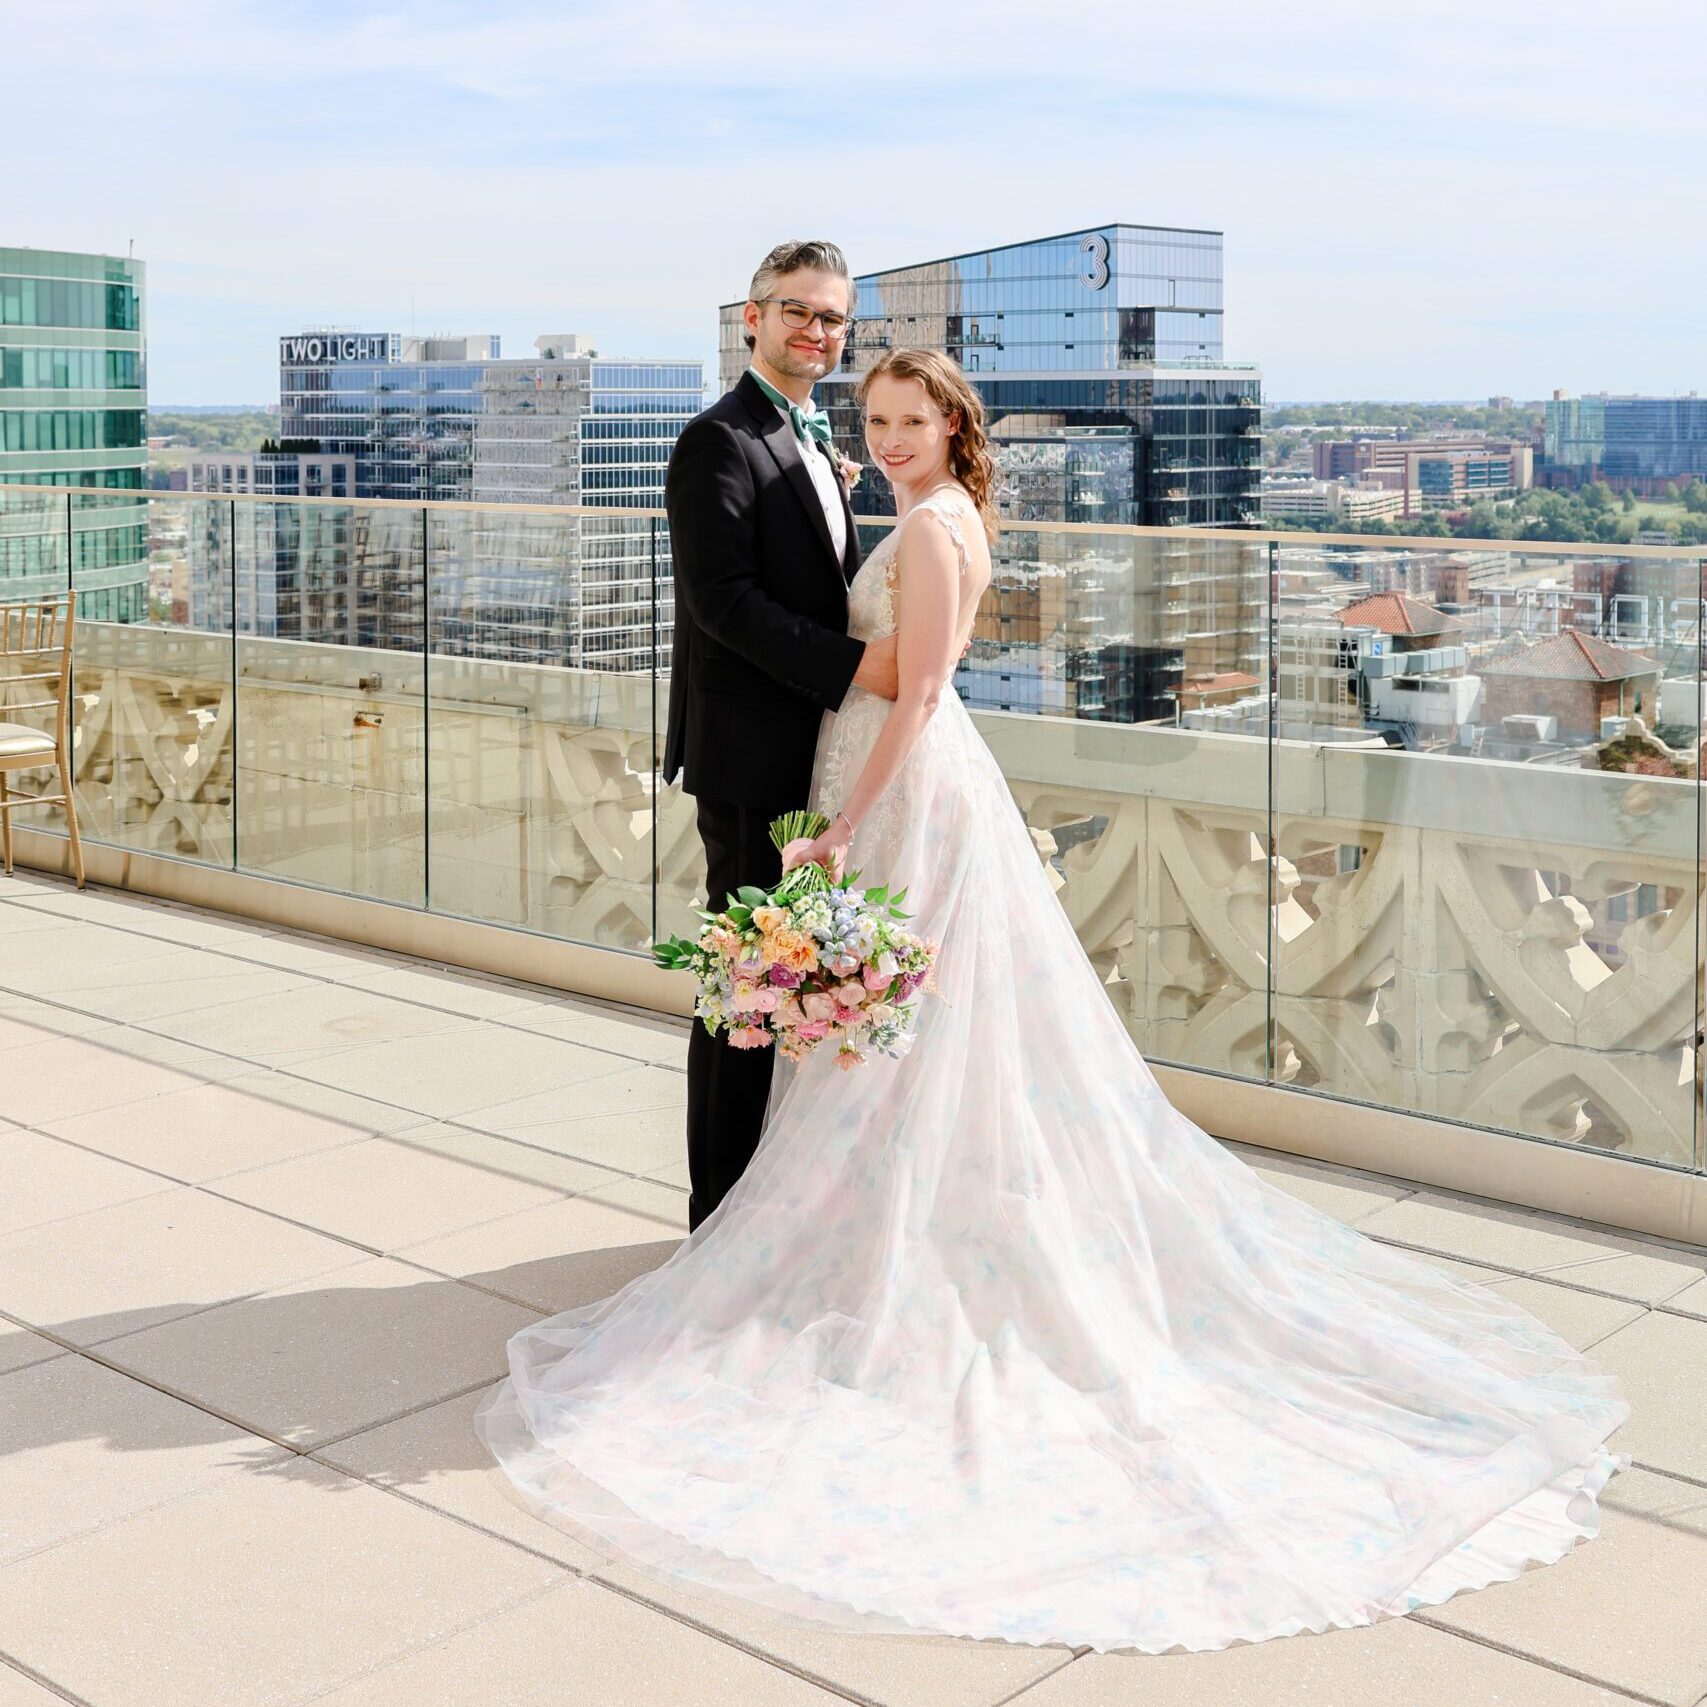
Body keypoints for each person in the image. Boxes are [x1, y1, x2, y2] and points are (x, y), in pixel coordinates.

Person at [478, 348, 1631, 1654]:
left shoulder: (928, 526)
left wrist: (838, 827)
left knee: (901, 1037)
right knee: (911, 1040)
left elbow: (913, 691)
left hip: (900, 784)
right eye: (877, 419)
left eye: (912, 420)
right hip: (912, 774)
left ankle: (883, 1251)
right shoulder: (942, 514)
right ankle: (876, 1235)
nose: (891, 436)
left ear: (952, 425)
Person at [659, 238, 898, 1231]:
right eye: (797, 310)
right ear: (750, 318)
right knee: (743, 996)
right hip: (750, 757)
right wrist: (858, 672)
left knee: (792, 987)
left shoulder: (809, 435)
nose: (817, 330)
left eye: (833, 317)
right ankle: (714, 1217)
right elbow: (724, 604)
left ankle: (767, 1212)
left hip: (815, 756)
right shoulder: (718, 438)